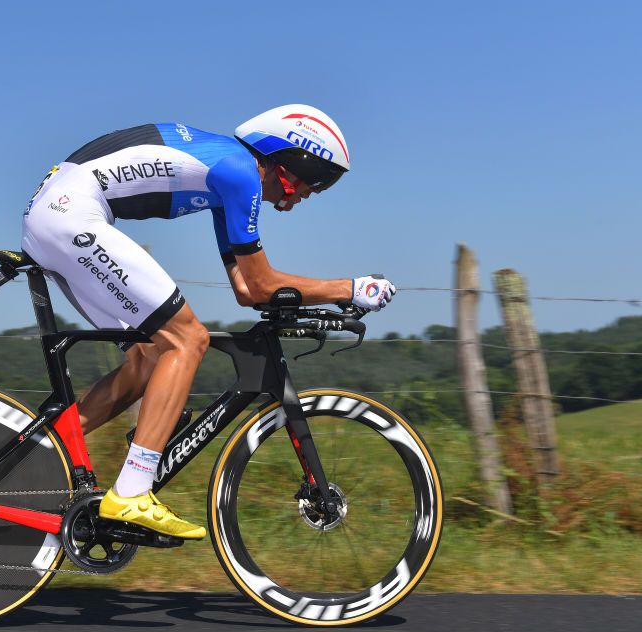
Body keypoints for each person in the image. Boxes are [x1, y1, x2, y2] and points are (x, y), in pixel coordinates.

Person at [20, 104, 396, 540]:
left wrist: (310, 297)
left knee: (148, 358)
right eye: (306, 184)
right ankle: (132, 490)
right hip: (70, 218)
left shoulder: (224, 178)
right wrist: (348, 289)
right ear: (288, 158)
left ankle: (37, 459)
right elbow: (259, 285)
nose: (299, 199)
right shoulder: (239, 171)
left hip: (55, 217)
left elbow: (246, 288)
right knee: (187, 340)